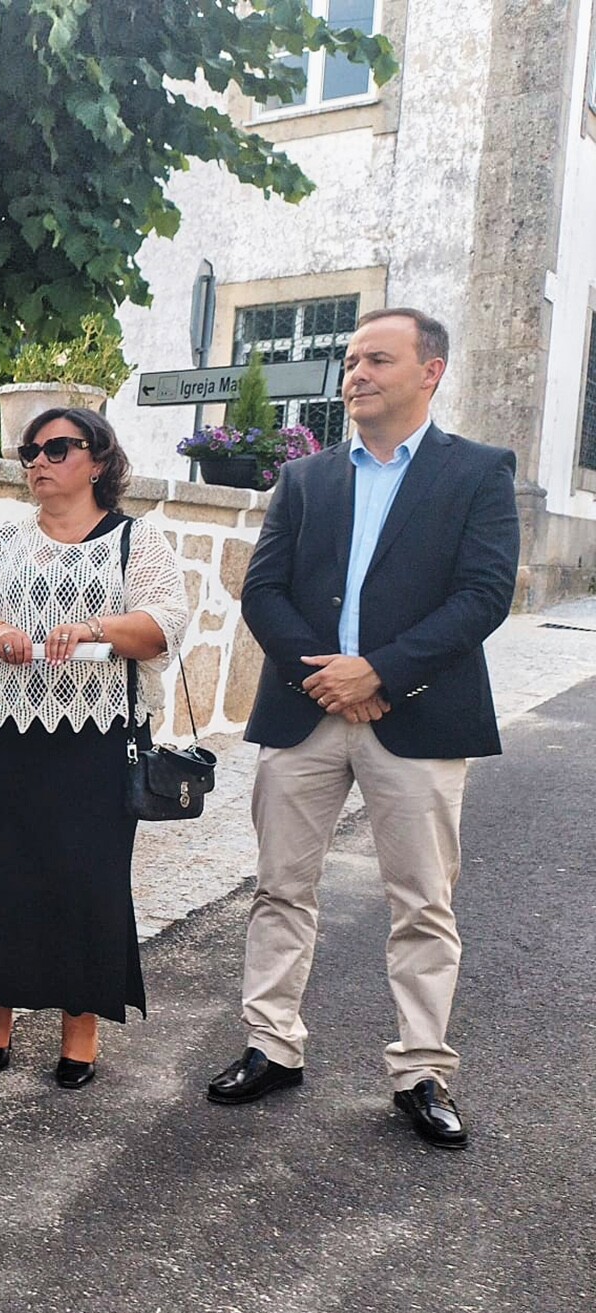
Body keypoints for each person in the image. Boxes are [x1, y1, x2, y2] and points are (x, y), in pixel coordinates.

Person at [206, 307, 518, 1149]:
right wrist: (329, 677)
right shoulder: (306, 479)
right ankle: (272, 1045)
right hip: (304, 712)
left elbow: (484, 595)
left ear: (431, 371)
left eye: (377, 359)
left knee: (422, 901)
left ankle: (422, 1071)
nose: (356, 374)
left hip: (419, 715)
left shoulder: (478, 472)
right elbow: (263, 590)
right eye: (350, 360)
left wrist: (379, 672)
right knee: (280, 887)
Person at [0, 408, 190, 1087]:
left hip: (100, 739)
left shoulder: (137, 541)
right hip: (6, 734)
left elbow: (163, 625)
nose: (38, 462)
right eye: (30, 451)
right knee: (2, 873)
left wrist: (91, 629)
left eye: (57, 448)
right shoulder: (1, 541)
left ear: (98, 461)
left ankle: (80, 1030)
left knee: (88, 879)